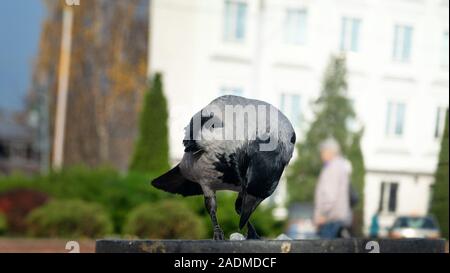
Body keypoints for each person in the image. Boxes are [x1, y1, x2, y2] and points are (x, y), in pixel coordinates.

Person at [314, 138, 353, 239]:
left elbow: (329, 195)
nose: (321, 155)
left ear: (329, 151)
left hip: (331, 220)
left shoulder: (333, 168)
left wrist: (322, 215)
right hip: (336, 219)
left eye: (323, 151)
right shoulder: (340, 165)